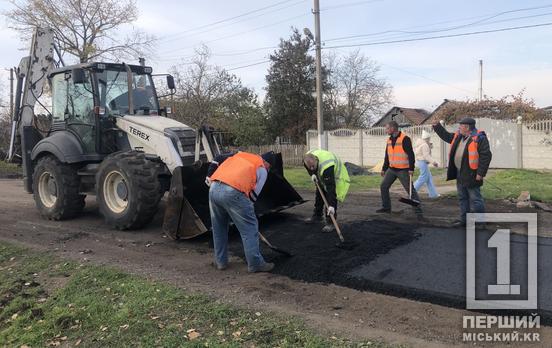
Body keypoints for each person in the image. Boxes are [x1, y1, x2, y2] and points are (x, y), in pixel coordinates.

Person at [208, 151, 276, 272]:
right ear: (267, 163)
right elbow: (253, 197)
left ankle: (220, 262)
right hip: (232, 192)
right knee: (249, 228)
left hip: (214, 188)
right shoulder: (262, 168)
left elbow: (218, 158)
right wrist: (247, 213)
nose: (268, 169)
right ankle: (256, 264)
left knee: (219, 228)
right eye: (269, 167)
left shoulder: (241, 155)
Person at [432, 117, 492, 227]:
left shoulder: (479, 137)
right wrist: (437, 126)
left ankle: (480, 222)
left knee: (475, 199)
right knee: (462, 197)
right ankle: (464, 220)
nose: (459, 127)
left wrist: (480, 173)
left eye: (461, 126)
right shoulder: (458, 136)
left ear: (467, 127)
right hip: (459, 172)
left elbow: (486, 156)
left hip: (472, 174)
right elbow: (446, 136)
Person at [377, 121, 425, 220]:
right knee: (383, 186)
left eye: (387, 128)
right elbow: (387, 156)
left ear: (393, 128)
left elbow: (411, 155)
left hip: (403, 170)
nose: (386, 130)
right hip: (391, 169)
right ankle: (386, 208)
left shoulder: (405, 139)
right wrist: (384, 169)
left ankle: (418, 212)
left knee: (411, 191)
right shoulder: (389, 140)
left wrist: (411, 168)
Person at [303, 149, 350, 233]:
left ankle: (331, 222)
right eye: (310, 167)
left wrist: (331, 205)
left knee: (329, 195)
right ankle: (317, 216)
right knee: (319, 193)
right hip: (322, 173)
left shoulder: (327, 166)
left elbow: (331, 188)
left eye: (313, 166)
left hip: (336, 176)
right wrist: (312, 173)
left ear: (316, 160)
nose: (312, 168)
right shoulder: (306, 160)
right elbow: (310, 168)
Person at [413, 130, 440, 199]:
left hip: (421, 162)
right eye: (429, 138)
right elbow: (426, 156)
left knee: (429, 178)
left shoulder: (421, 144)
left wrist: (429, 146)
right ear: (427, 138)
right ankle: (412, 191)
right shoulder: (424, 145)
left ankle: (433, 194)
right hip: (423, 162)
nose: (429, 139)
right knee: (423, 177)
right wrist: (434, 162)